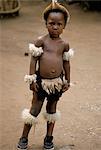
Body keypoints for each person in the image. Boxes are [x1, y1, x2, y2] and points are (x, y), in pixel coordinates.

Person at [17, 0, 74, 150]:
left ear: (64, 26)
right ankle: (24, 138)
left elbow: (67, 63)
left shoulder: (64, 44)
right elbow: (33, 60)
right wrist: (31, 79)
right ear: (46, 23)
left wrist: (67, 81)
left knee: (52, 109)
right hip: (41, 82)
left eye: (59, 24)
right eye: (51, 23)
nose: (55, 27)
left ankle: (48, 138)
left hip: (57, 83)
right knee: (34, 109)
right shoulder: (41, 41)